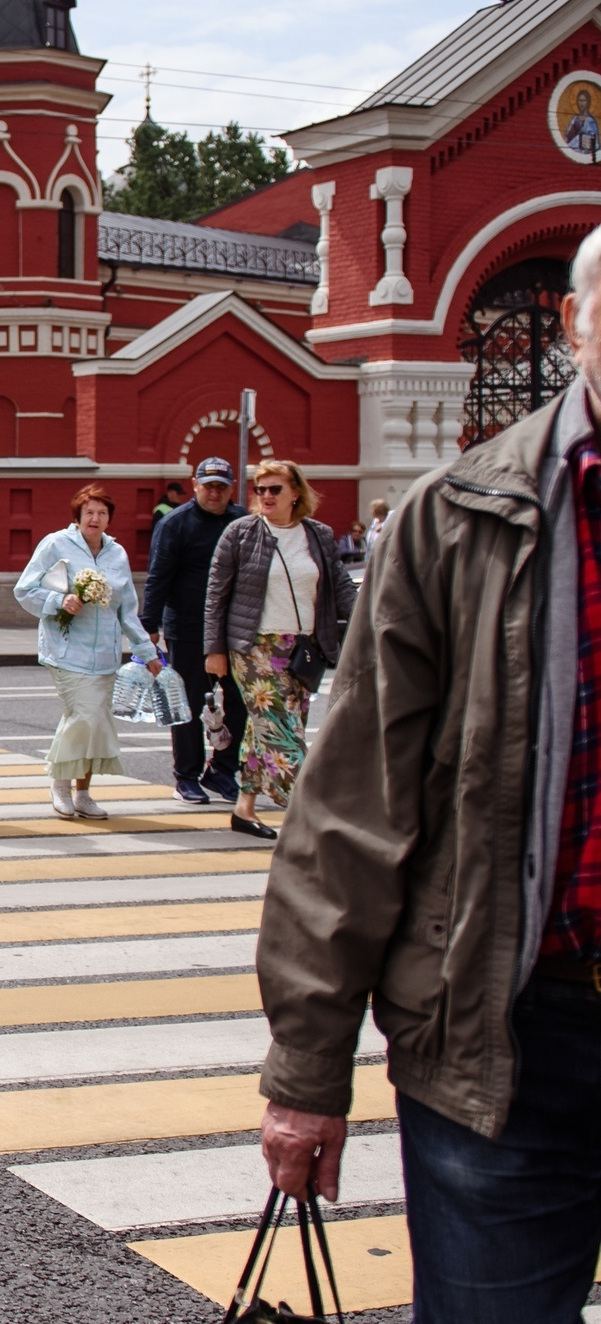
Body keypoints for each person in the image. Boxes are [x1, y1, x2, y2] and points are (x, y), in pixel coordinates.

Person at [257, 223, 601, 1322]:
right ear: (572, 321)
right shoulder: (456, 517)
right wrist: (308, 1074)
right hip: (507, 1039)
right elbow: (354, 802)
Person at [204, 459, 356, 841]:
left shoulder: (317, 535)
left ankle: (244, 809)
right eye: (260, 489)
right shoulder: (240, 533)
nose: (266, 496)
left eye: (275, 489)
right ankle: (314, 819)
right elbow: (216, 596)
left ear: (296, 494)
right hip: (253, 647)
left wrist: (368, 627)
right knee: (283, 733)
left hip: (303, 648)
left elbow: (341, 590)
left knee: (266, 730)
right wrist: (214, 649)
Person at [14, 484, 160, 820]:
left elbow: (127, 611)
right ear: (77, 518)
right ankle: (60, 785)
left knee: (95, 722)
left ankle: (83, 793)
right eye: (88, 513)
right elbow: (24, 590)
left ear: (109, 519)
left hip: (105, 656)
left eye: (101, 513)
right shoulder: (56, 545)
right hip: (66, 651)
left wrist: (146, 652)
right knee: (83, 716)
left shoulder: (117, 554)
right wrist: (58, 601)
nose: (95, 518)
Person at [143, 457, 247, 806]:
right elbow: (159, 576)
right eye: (209, 485)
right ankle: (186, 776)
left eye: (222, 486)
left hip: (234, 630)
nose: (215, 492)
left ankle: (222, 771)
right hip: (188, 628)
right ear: (195, 484)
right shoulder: (176, 523)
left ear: (231, 487)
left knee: (240, 701)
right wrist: (149, 626)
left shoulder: (243, 521)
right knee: (188, 703)